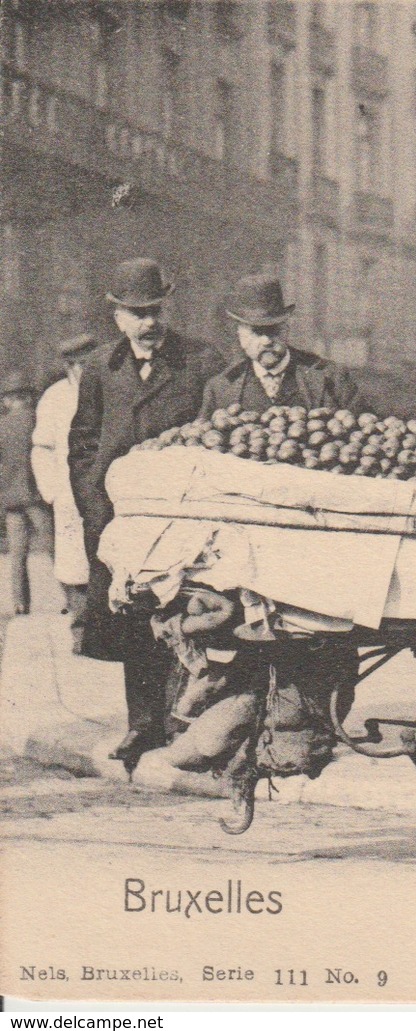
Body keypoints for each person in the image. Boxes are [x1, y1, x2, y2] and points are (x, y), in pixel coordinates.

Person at [69, 257, 224, 768]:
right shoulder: (99, 368)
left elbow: (217, 430)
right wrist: (95, 507)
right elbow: (84, 442)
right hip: (120, 520)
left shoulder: (200, 360)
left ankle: (183, 723)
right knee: (133, 622)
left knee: (186, 617)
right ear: (117, 317)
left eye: (154, 310)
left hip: (180, 515)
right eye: (136, 313)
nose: (148, 323)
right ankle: (142, 725)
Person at [199, 275, 363, 417]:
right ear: (240, 335)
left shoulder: (332, 378)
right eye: (256, 332)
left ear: (286, 329)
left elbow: (368, 433)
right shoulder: (220, 388)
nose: (266, 341)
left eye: (273, 330)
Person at [30, 333, 98, 649]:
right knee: (73, 565)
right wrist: (52, 491)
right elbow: (41, 448)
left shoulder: (108, 391)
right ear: (70, 366)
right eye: (82, 365)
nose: (89, 370)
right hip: (69, 495)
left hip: (102, 492)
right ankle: (80, 633)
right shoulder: (55, 398)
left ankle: (106, 634)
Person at [1, 374, 49, 616]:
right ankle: (73, 600)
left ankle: (21, 603)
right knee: (54, 546)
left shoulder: (2, 425)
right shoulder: (36, 419)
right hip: (36, 495)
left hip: (10, 499)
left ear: (8, 399)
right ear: (28, 396)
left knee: (17, 554)